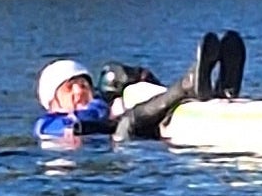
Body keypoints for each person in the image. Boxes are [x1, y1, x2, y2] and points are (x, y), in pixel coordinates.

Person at [33, 31, 246, 143]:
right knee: (127, 119)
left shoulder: (104, 103)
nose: (79, 91)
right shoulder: (46, 125)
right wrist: (108, 109)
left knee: (133, 94)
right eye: (69, 88)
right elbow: (82, 124)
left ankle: (219, 91)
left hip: (147, 127)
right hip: (129, 135)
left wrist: (135, 78)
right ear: (52, 102)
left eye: (82, 84)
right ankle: (186, 86)